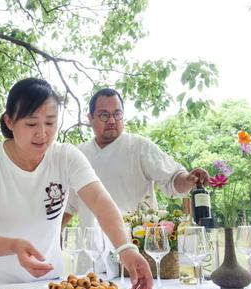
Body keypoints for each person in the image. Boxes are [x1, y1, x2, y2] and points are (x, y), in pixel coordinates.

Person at [0, 78, 153, 289]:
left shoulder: (66, 156)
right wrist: (14, 246)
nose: (42, 133)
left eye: (50, 122)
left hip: (51, 284)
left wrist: (125, 248)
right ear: (9, 122)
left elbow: (100, 201)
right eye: (31, 124)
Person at [63, 88, 208, 275]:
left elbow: (172, 179)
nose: (112, 121)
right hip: (91, 255)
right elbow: (68, 207)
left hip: (137, 248)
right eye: (104, 115)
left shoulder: (139, 147)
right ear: (90, 118)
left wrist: (189, 179)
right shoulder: (78, 154)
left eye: (117, 114)